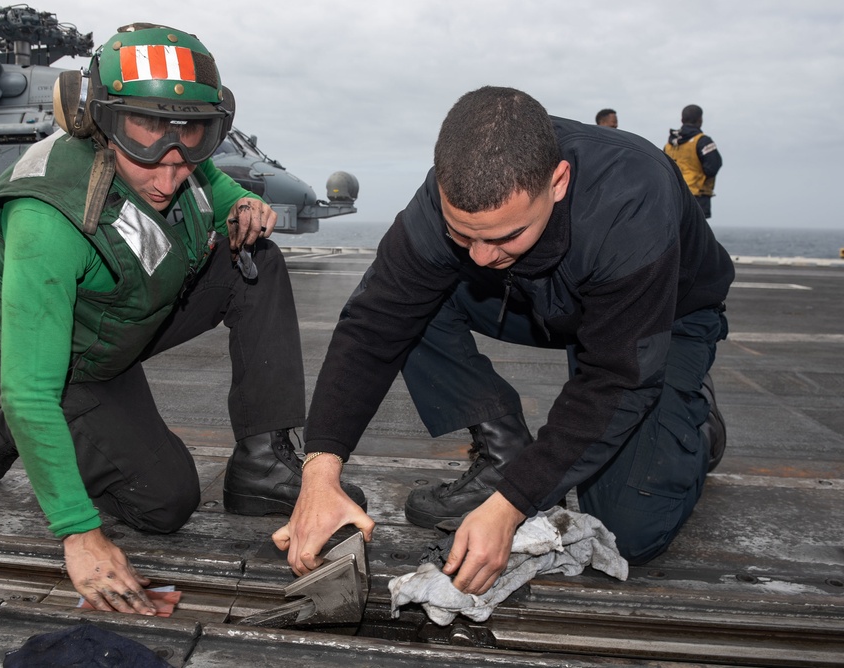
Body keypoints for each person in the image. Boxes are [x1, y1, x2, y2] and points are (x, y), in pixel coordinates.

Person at [0, 23, 364, 616]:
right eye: (147, 134)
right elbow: (33, 390)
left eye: (191, 136)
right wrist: (79, 533)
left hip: (124, 320)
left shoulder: (178, 161)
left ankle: (262, 461)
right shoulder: (46, 220)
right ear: (98, 119)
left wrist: (245, 205)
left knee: (255, 257)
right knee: (165, 504)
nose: (170, 172)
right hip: (65, 364)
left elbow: (217, 189)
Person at [275, 87, 732, 598]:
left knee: (631, 532)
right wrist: (321, 469)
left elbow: (618, 378)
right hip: (532, 298)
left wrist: (513, 504)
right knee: (412, 302)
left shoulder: (631, 197)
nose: (479, 257)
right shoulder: (453, 197)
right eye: (462, 234)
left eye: (503, 235)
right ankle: (504, 450)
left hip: (660, 320)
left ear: (557, 182)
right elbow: (374, 322)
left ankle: (696, 417)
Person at [663, 104, 722, 218]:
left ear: (682, 120)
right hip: (696, 196)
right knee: (695, 234)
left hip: (673, 196)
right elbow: (713, 167)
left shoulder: (669, 144)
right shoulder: (703, 141)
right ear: (700, 119)